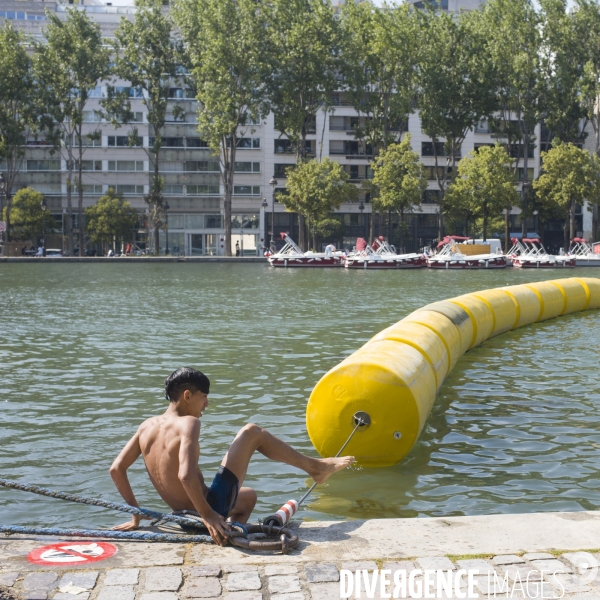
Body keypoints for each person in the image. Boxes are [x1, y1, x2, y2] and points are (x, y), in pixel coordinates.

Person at [110, 367, 354, 546]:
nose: (206, 404)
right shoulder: (188, 423)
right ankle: (316, 468)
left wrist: (136, 513)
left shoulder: (146, 427)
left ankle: (229, 529)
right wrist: (208, 515)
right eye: (204, 396)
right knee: (252, 432)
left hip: (184, 519)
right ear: (187, 396)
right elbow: (184, 475)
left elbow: (116, 469)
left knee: (248, 497)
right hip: (205, 512)